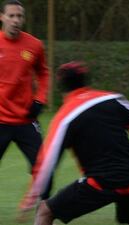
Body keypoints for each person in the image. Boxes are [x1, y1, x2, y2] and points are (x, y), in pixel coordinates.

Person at [18, 61, 129, 225]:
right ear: (86, 80)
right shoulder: (112, 99)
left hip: (103, 181)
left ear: (61, 86)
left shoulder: (65, 117)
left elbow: (47, 161)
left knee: (45, 211)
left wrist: (32, 195)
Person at [0, 0, 52, 199]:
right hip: (0, 120)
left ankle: (44, 215)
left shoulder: (34, 45)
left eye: (19, 16)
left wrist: (40, 100)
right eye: (11, 16)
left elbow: (44, 74)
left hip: (26, 121)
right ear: (2, 17)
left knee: (44, 171)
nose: (15, 20)